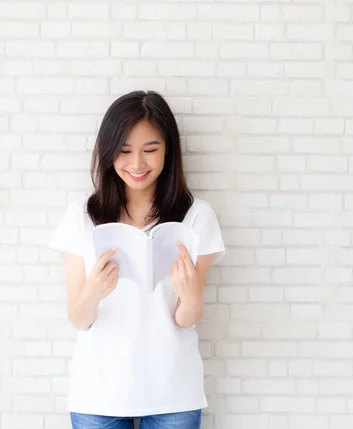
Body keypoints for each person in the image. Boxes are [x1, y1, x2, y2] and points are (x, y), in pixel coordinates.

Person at [48, 90, 225, 429]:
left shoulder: (196, 216)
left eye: (151, 150)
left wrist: (189, 295)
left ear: (168, 150)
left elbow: (188, 318)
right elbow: (78, 317)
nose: (137, 164)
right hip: (99, 391)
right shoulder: (81, 216)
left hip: (172, 389)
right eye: (124, 151)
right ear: (108, 152)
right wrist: (95, 291)